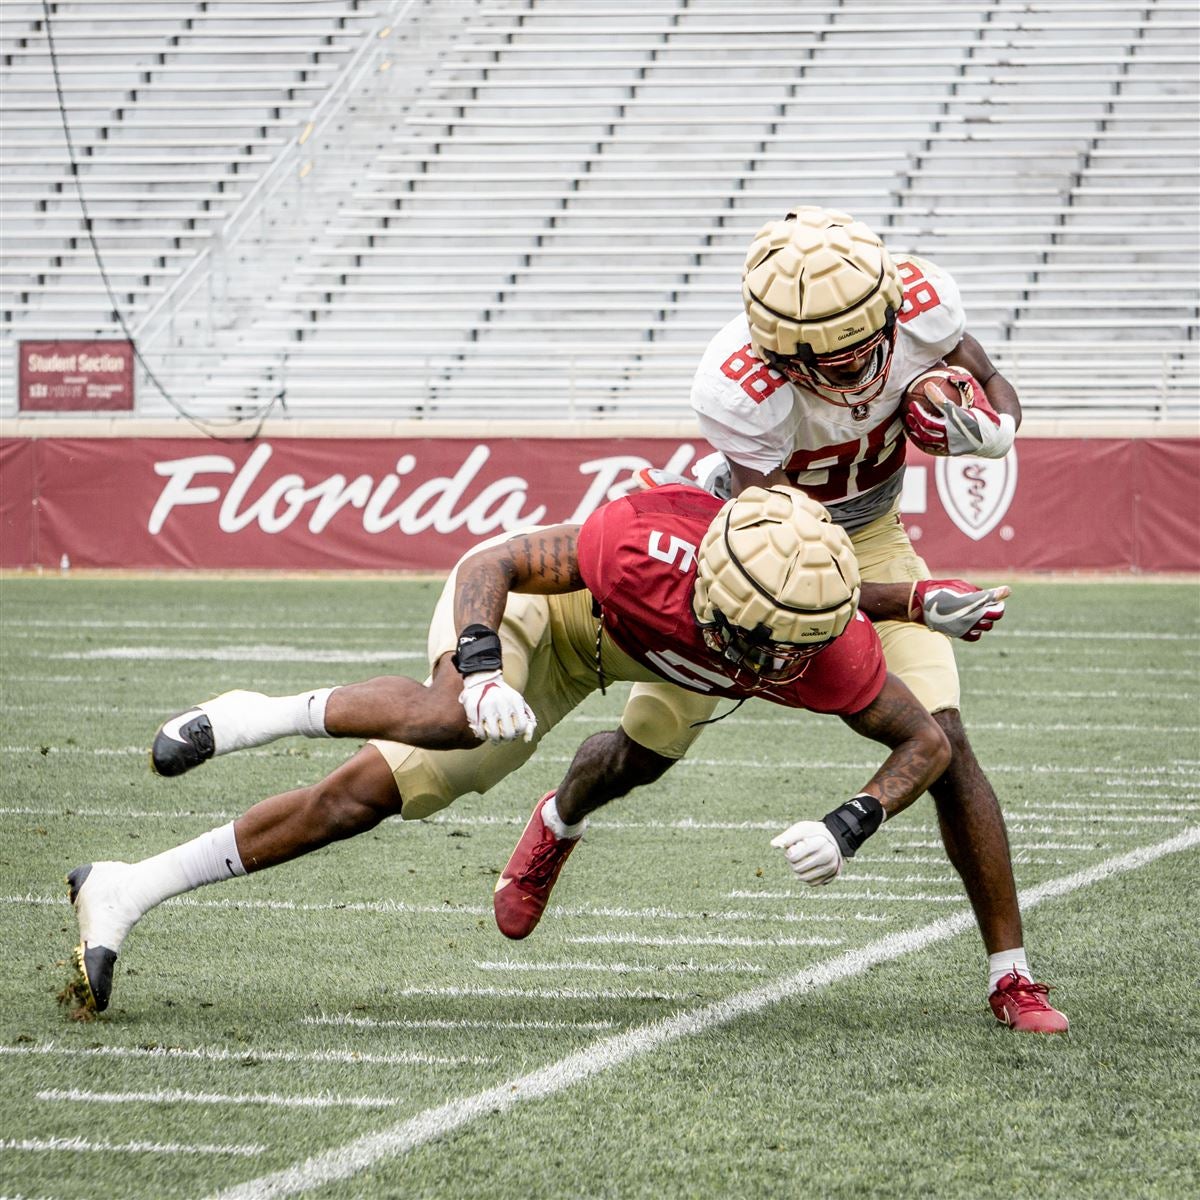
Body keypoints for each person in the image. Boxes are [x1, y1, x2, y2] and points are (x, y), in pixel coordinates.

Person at [68, 484, 964, 1023]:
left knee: (639, 757)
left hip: (666, 662)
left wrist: (855, 822)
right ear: (709, 586)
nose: (776, 666)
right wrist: (488, 665)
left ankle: (123, 882)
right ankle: (252, 718)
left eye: (792, 648)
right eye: (759, 641)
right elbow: (492, 562)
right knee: (430, 736)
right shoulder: (638, 548)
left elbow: (924, 740)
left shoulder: (817, 636)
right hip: (559, 623)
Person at [688, 205, 1067, 1032]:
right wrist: (921, 602)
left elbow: (996, 382)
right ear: (780, 351)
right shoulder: (739, 387)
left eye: (870, 344)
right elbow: (791, 570)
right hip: (754, 553)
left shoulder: (921, 301)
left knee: (947, 739)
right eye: (831, 358)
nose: (861, 369)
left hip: (873, 533)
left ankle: (1013, 974)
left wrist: (994, 431)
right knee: (652, 739)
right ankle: (560, 824)